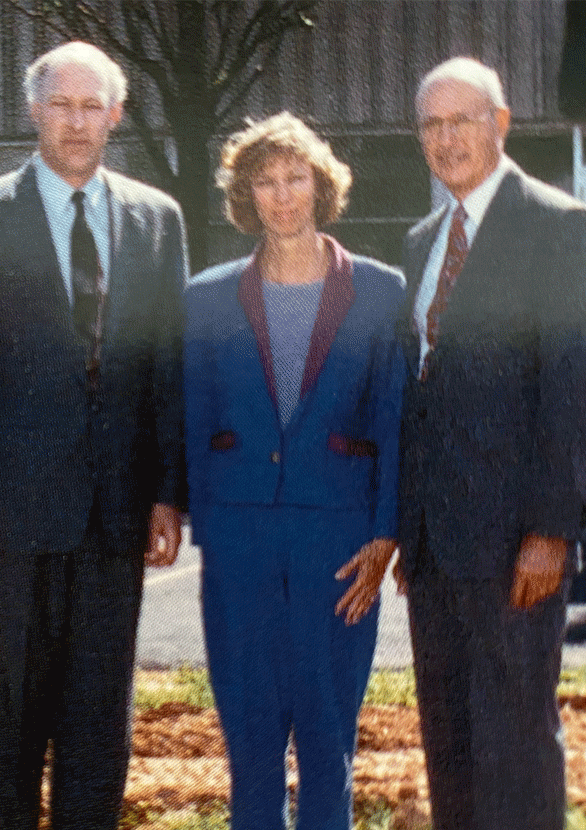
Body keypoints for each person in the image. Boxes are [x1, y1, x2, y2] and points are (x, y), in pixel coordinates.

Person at [0, 41, 185, 830]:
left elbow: (167, 368)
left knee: (99, 725)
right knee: (11, 721)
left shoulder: (155, 220)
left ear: (117, 115)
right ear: (34, 110)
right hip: (12, 522)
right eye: (62, 105)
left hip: (115, 519)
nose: (77, 123)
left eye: (91, 106)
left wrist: (168, 493)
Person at [183, 112, 405, 830]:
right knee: (249, 746)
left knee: (327, 741)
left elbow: (397, 418)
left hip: (338, 545)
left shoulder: (379, 292)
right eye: (265, 182)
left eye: (295, 178)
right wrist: (195, 520)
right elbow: (187, 417)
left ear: (321, 185)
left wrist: (387, 530)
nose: (282, 196)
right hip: (239, 547)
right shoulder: (207, 297)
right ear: (247, 196)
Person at [396, 56, 586, 830]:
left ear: (501, 125)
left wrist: (551, 529)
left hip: (517, 543)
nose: (447, 140)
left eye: (463, 120)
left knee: (514, 738)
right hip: (438, 548)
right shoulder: (421, 240)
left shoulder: (559, 225)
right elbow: (423, 393)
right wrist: (410, 530)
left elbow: (569, 390)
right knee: (450, 738)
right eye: (431, 125)